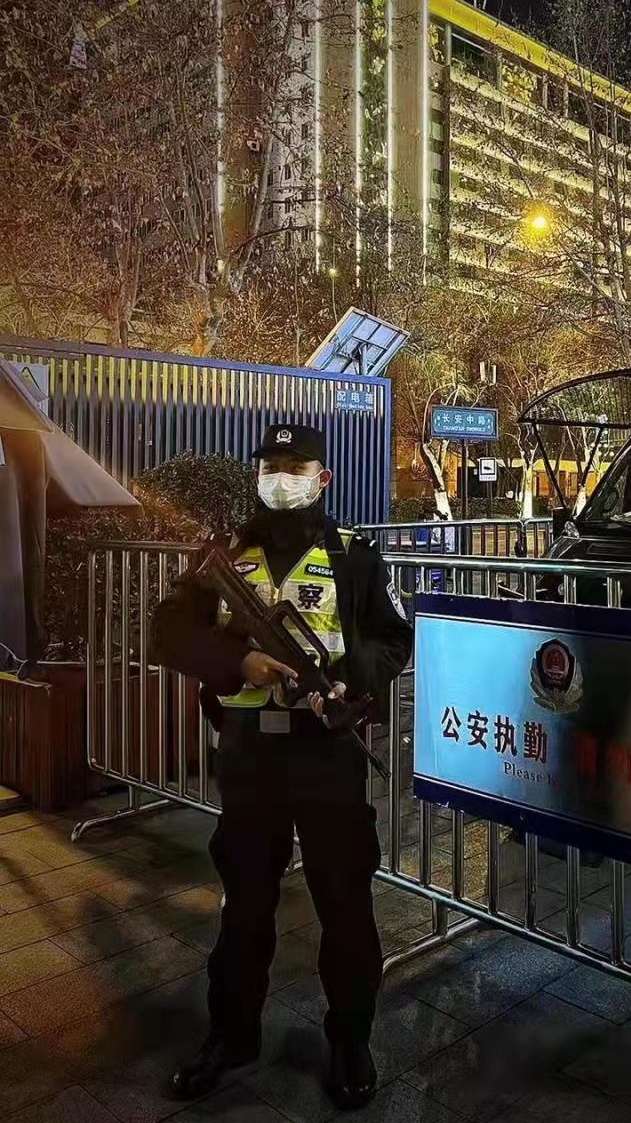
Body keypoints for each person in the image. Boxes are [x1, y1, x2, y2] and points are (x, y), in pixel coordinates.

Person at [150, 423, 412, 1110]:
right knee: (244, 905)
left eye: (296, 467)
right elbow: (168, 631)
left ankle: (350, 1040)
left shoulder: (354, 555)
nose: (281, 477)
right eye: (271, 465)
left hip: (327, 752)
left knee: (345, 904)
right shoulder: (225, 554)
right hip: (250, 755)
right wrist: (238, 661)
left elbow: (393, 637)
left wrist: (350, 679)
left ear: (323, 478)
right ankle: (231, 1036)